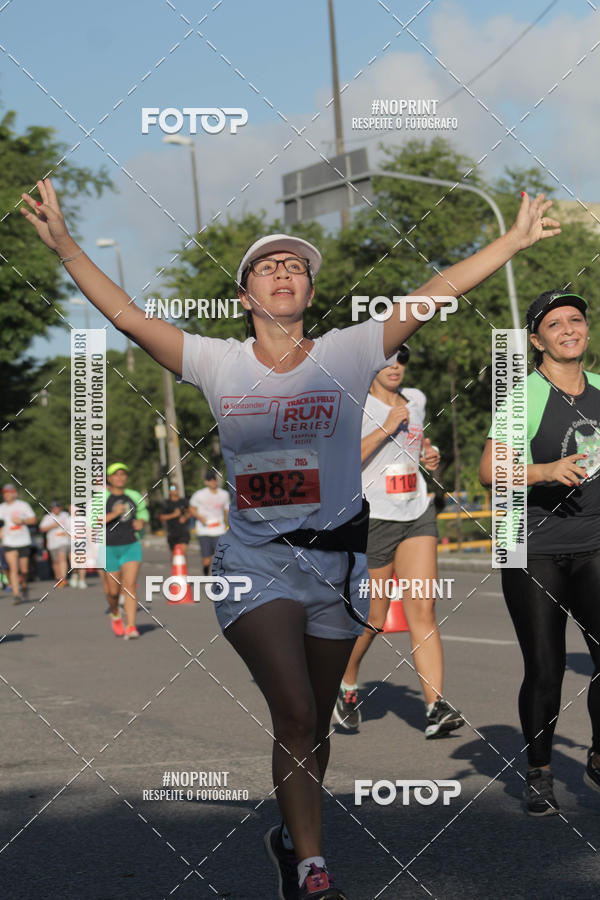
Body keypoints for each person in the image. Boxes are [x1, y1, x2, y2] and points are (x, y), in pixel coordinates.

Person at [21, 177, 559, 899]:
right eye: (267, 266)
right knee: (298, 711)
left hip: (336, 565)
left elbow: (433, 292)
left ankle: (290, 837)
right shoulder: (216, 362)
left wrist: (512, 240)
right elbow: (126, 315)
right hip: (254, 564)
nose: (283, 271)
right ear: (247, 295)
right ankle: (313, 870)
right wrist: (63, 246)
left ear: (309, 289)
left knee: (313, 723)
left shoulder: (347, 352)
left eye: (295, 265)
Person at [480, 289, 600, 817]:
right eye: (556, 324)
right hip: (534, 546)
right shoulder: (524, 396)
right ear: (537, 339)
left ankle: (598, 754)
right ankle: (540, 769)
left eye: (576, 320)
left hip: (597, 542)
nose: (569, 329)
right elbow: (489, 471)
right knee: (546, 668)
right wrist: (547, 471)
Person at [335, 344, 464, 738]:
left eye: (402, 359)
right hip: (372, 519)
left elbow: (416, 444)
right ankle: (345, 684)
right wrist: (385, 428)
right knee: (373, 618)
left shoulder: (417, 400)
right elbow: (340, 460)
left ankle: (434, 706)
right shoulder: (354, 404)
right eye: (387, 359)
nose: (396, 366)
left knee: (422, 609)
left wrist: (429, 453)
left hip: (415, 512)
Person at [103, 462, 149, 639]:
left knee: (129, 585)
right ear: (109, 478)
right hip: (108, 547)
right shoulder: (101, 498)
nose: (120, 478)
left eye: (123, 474)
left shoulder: (134, 495)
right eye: (116, 475)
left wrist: (142, 522)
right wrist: (114, 514)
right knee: (113, 592)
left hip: (131, 545)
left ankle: (131, 626)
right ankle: (115, 612)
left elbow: (144, 514)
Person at [0, 484, 37, 604]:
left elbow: (33, 520)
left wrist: (22, 521)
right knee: (13, 569)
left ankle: (24, 584)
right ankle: (16, 595)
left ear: (14, 493)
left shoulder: (23, 505)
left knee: (24, 570)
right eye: (5, 492)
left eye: (9, 492)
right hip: (9, 542)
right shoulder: (1, 508)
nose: (7, 494)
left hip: (23, 541)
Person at [189, 474, 230, 573]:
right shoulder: (199, 494)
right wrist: (199, 517)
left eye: (214, 480)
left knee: (220, 556)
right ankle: (206, 572)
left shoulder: (224, 494)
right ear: (206, 482)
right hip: (204, 531)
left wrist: (229, 525)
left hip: (219, 530)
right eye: (210, 480)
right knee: (206, 560)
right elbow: (191, 509)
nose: (212, 482)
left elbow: (227, 511)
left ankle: (217, 577)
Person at [40, 500, 71, 588]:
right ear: (51, 509)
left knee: (62, 559)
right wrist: (53, 526)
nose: (56, 509)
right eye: (54, 508)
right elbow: (42, 529)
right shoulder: (48, 517)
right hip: (52, 543)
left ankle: (63, 578)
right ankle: (58, 577)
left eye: (57, 507)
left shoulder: (65, 515)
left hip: (64, 541)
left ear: (60, 508)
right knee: (55, 562)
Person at [159, 484, 192, 561]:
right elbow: (162, 517)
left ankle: (183, 571)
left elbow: (189, 512)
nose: (175, 490)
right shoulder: (166, 503)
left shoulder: (183, 501)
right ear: (169, 491)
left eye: (176, 488)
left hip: (183, 531)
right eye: (172, 488)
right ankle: (175, 570)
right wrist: (174, 515)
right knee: (175, 554)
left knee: (182, 552)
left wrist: (185, 517)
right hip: (172, 532)